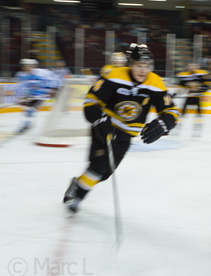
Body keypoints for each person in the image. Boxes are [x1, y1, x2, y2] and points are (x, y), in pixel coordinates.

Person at [63, 44, 179, 214]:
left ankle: (77, 184)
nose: (143, 70)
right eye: (139, 65)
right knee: (99, 167)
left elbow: (171, 111)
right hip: (105, 127)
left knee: (104, 173)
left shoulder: (156, 83)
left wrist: (164, 124)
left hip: (125, 136)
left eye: (146, 66)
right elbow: (91, 101)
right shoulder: (114, 76)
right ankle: (77, 195)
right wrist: (98, 119)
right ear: (130, 64)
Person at [15, 59, 57, 133]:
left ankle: (27, 124)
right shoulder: (21, 75)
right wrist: (19, 98)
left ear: (33, 66)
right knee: (28, 110)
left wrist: (53, 89)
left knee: (30, 110)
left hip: (41, 95)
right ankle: (28, 124)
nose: (26, 68)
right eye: (24, 66)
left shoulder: (43, 72)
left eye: (29, 66)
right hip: (31, 95)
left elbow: (54, 78)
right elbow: (21, 87)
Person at [175, 63, 211, 136]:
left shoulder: (201, 75)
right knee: (183, 113)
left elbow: (208, 85)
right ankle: (178, 128)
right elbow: (181, 86)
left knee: (198, 114)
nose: (192, 68)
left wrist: (203, 89)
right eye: (190, 66)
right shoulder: (186, 76)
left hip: (197, 97)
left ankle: (197, 129)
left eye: (194, 66)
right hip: (189, 97)